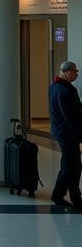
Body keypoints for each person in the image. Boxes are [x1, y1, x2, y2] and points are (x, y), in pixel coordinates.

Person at [50, 60, 82, 208]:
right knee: (71, 166)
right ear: (68, 72)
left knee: (71, 165)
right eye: (75, 71)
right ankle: (63, 196)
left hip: (61, 132)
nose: (76, 74)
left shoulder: (54, 87)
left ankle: (70, 196)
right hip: (68, 134)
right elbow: (71, 117)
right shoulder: (66, 91)